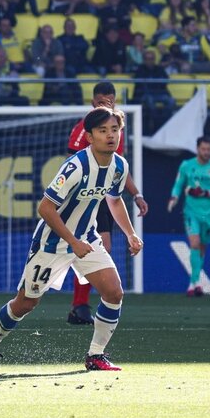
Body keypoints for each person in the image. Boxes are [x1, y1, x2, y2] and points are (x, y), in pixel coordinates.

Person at [0, 107, 143, 372]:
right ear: (89, 136)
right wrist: (72, 241)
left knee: (114, 292)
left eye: (115, 130)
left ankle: (96, 355)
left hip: (87, 238)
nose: (110, 135)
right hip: (52, 243)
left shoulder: (119, 166)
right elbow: (45, 208)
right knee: (26, 303)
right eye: (103, 130)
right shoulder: (76, 166)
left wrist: (130, 233)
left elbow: (114, 200)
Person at [67, 80, 148, 326]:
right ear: (93, 102)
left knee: (103, 247)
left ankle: (81, 305)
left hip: (103, 195)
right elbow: (71, 161)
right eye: (102, 102)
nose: (106, 106)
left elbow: (118, 170)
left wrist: (136, 194)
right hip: (84, 195)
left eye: (110, 102)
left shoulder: (115, 133)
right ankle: (79, 305)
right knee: (93, 247)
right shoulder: (85, 128)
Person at [167, 136, 210, 296]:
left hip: (208, 213)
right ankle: (196, 283)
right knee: (194, 243)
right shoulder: (186, 165)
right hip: (191, 212)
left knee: (202, 248)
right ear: (197, 149)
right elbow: (178, 184)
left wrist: (206, 193)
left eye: (209, 149)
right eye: (203, 149)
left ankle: (193, 282)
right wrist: (174, 198)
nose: (206, 152)